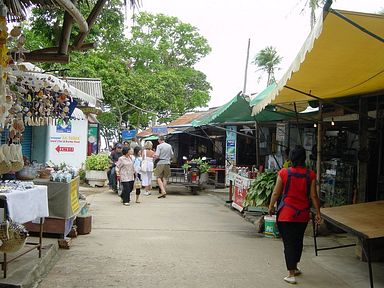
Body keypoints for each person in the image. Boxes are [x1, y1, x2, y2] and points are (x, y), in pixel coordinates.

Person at [268, 145, 321, 285]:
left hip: (286, 214)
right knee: (298, 241)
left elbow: (276, 193)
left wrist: (271, 206)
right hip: (302, 215)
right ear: (304, 158)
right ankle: (295, 266)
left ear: (291, 158)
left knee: (289, 243)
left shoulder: (284, 173)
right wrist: (318, 213)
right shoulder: (311, 174)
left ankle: (291, 273)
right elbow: (314, 196)